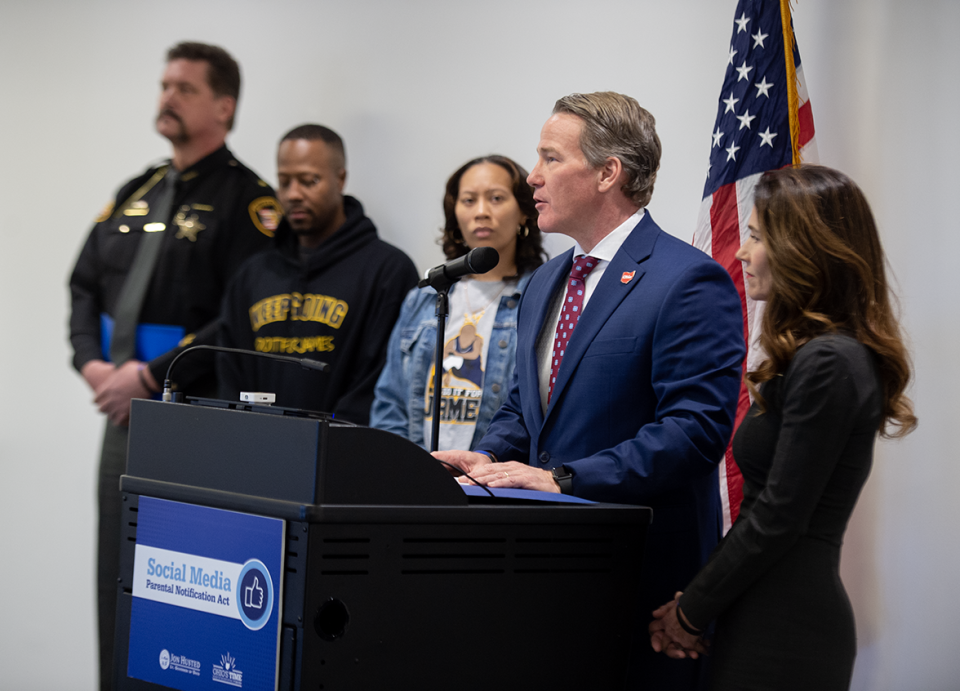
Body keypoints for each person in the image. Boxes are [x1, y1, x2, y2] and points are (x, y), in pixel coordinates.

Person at [434, 92, 746, 689]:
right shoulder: (549, 278)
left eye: (551, 158)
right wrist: (491, 456)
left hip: (637, 577)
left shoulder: (686, 281)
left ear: (608, 173)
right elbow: (525, 405)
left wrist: (565, 480)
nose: (533, 177)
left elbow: (695, 432)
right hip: (542, 579)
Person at [648, 166, 917, 690]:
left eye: (755, 237)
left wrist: (692, 611)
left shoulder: (831, 362)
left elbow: (778, 515)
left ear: (805, 247)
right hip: (756, 613)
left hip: (788, 632)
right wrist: (700, 603)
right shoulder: (812, 358)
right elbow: (759, 508)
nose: (742, 254)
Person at [68, 42, 281, 689]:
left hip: (192, 412)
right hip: (122, 409)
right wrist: (93, 366)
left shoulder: (248, 202)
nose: (167, 96)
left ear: (224, 105)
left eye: (184, 88)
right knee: (118, 575)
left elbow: (240, 313)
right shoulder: (137, 191)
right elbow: (81, 285)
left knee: (186, 585)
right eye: (164, 84)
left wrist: (150, 374)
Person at [217, 124, 419, 423]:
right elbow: (230, 371)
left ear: (340, 179)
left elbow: (380, 382)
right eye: (284, 182)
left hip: (345, 456)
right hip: (255, 451)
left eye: (309, 181)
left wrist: (326, 440)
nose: (294, 194)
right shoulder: (252, 274)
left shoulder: (387, 271)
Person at [370, 155, 546, 449]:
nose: (481, 212)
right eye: (468, 200)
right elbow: (390, 403)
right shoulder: (423, 299)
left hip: (493, 479)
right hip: (420, 478)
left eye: (496, 198)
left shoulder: (541, 298)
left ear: (524, 213)